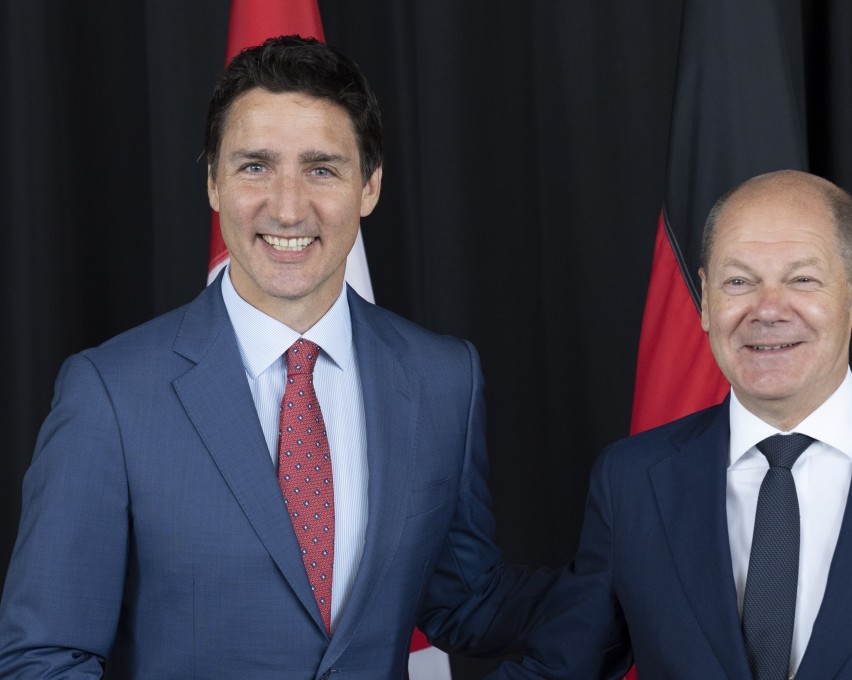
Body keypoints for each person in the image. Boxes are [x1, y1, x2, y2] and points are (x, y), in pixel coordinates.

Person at [0, 36, 553, 679]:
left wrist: (626, 576)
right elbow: (43, 658)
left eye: (322, 169)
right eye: (254, 166)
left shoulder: (442, 378)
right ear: (212, 182)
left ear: (369, 186)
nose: (288, 207)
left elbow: (467, 601)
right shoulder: (110, 395)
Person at [489, 170, 852, 679]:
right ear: (704, 298)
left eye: (802, 279)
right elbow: (562, 666)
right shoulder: (631, 479)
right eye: (739, 281)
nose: (767, 310)